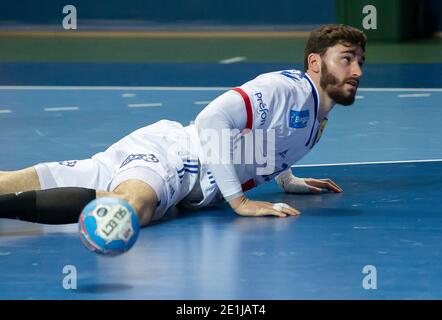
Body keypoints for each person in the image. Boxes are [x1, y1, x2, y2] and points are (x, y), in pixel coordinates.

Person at [0, 24, 366, 227]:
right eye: (346, 60)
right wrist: (238, 201)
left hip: (160, 153)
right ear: (315, 62)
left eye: (360, 61)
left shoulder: (317, 117)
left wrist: (288, 179)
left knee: (10, 181)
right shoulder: (287, 88)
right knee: (131, 209)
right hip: (177, 160)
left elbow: (269, 140)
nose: (356, 71)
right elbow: (212, 120)